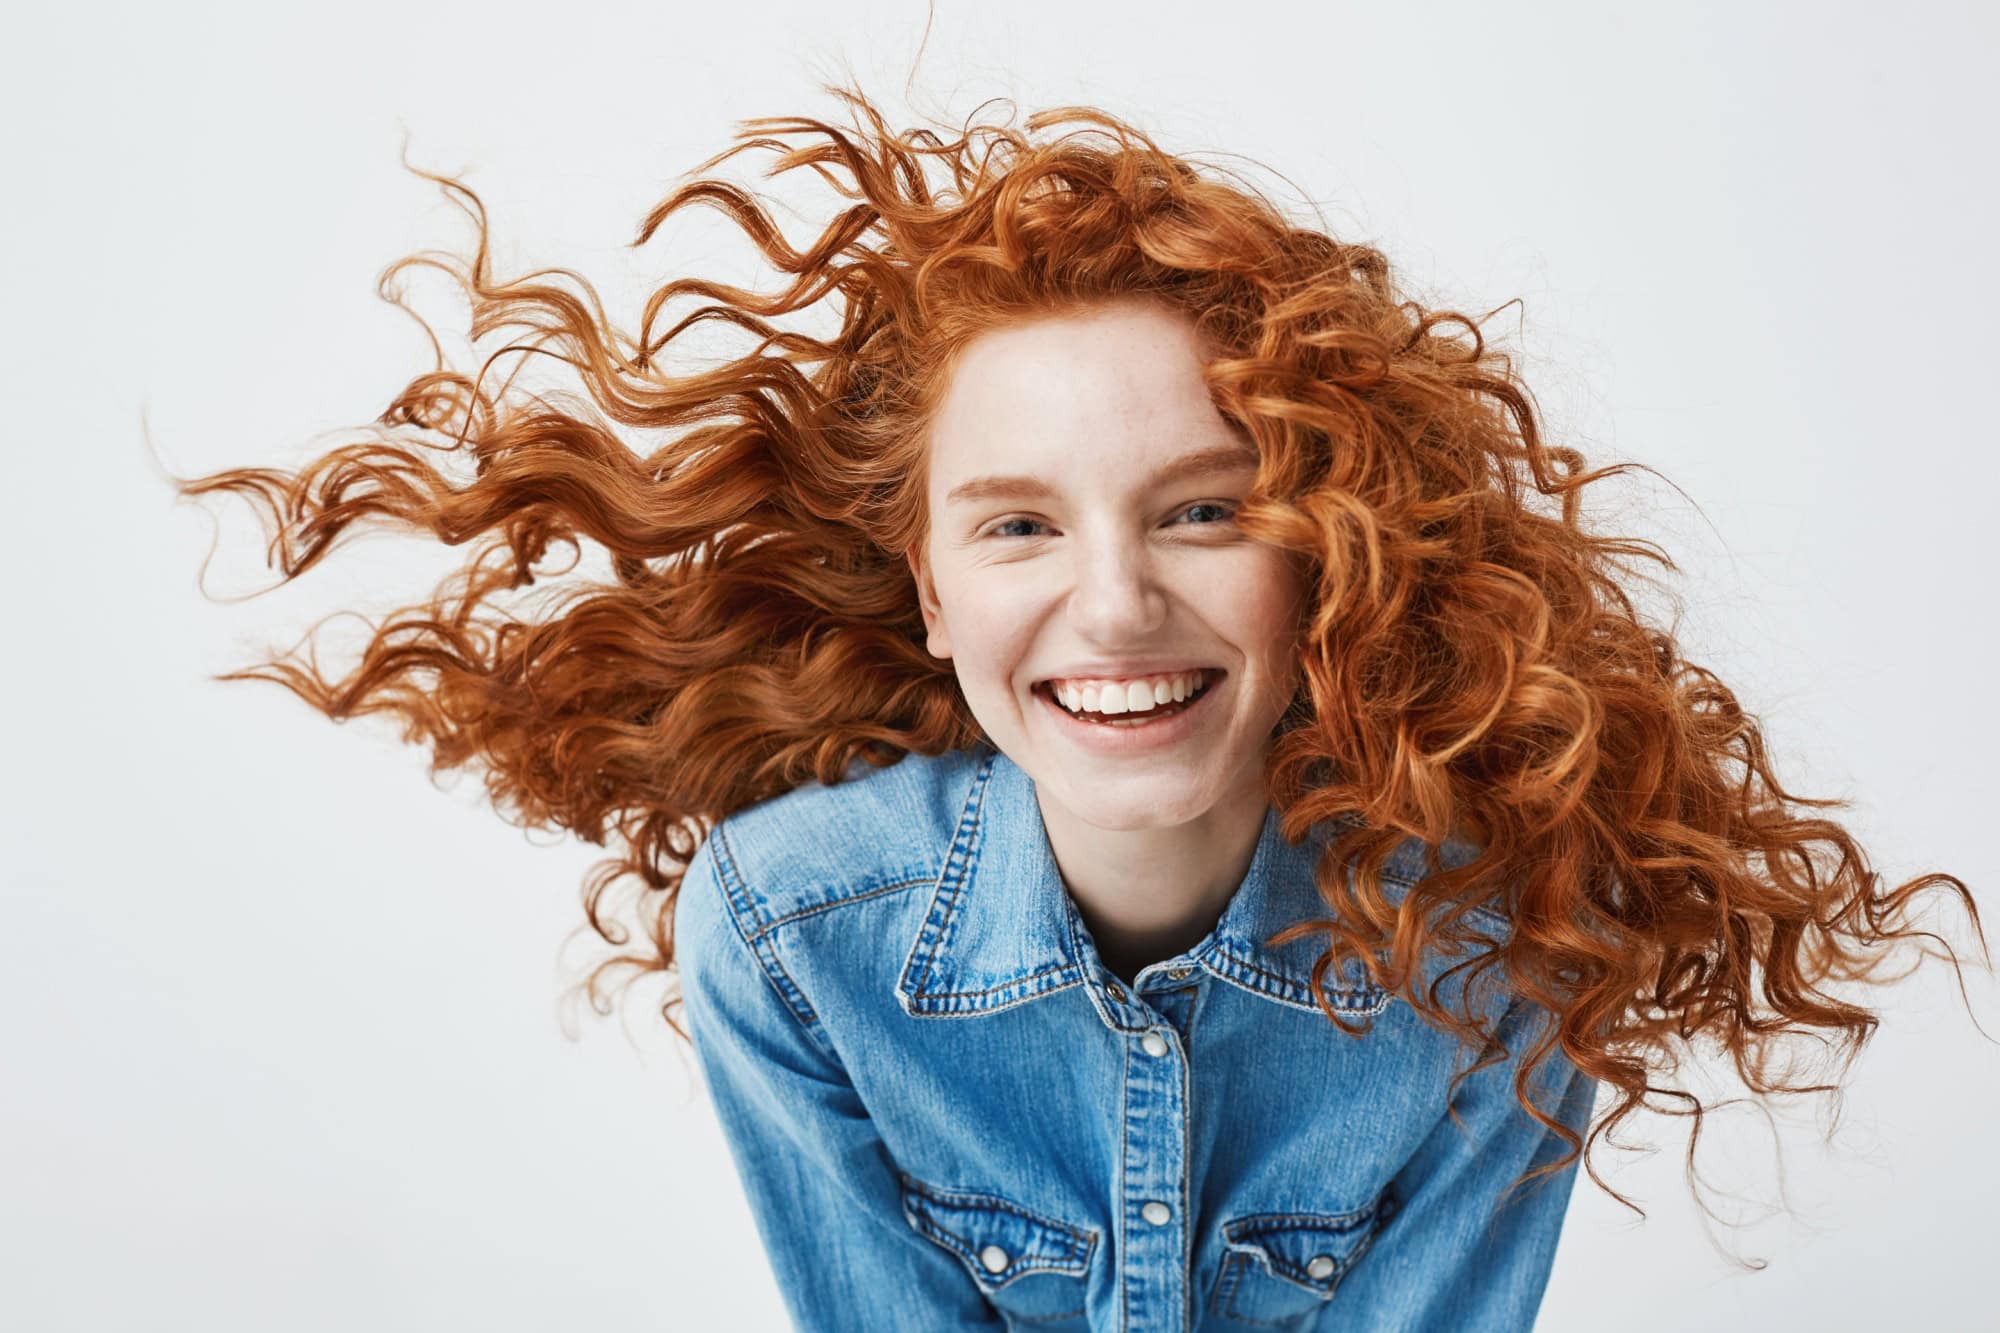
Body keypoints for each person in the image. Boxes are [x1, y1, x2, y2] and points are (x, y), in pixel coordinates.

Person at [164, 86, 1984, 1332]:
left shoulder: (1500, 953)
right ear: (934, 590)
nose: (1113, 601)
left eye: (1203, 509)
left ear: (1324, 556)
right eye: (1021, 524)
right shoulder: (791, 933)